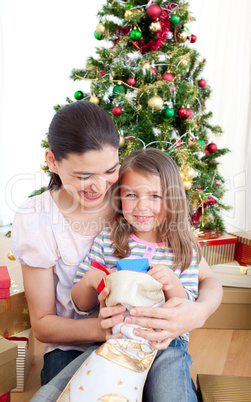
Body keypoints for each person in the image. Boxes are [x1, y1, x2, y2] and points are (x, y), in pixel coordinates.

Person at [9, 101, 222, 401]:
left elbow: (206, 279)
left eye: (110, 170)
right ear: (53, 162)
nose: (100, 186)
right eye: (84, 176)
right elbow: (44, 325)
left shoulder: (134, 200)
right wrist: (105, 327)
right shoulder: (39, 219)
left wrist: (197, 312)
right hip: (76, 343)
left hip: (152, 342)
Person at [63, 148, 200, 401]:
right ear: (119, 197)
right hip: (115, 342)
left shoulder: (183, 248)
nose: (142, 206)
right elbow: (82, 305)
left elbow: (187, 306)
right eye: (131, 195)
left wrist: (171, 282)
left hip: (166, 345)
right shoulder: (108, 240)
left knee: (170, 395)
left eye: (155, 195)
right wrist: (93, 279)